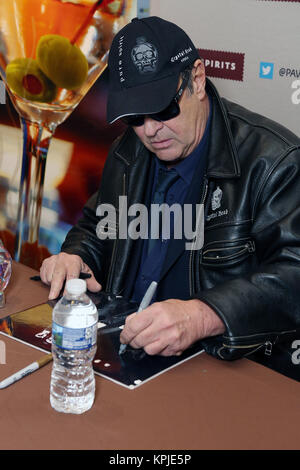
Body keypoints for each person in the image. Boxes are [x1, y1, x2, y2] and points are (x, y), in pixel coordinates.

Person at [40, 16, 300, 360]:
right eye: (135, 117)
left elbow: (294, 274)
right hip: (124, 353)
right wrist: (76, 256)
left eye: (163, 109)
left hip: (215, 367)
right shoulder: (128, 152)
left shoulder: (273, 162)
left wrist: (204, 315)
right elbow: (98, 224)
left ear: (197, 79)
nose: (150, 131)